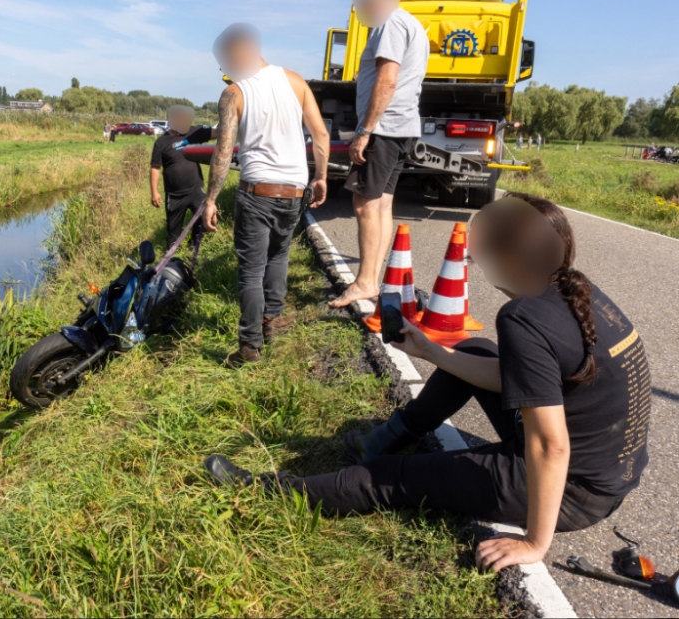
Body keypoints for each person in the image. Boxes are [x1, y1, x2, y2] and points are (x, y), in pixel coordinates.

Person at [205, 192, 652, 573]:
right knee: (474, 349)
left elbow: (550, 446)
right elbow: (520, 380)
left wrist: (536, 542)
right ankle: (387, 436)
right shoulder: (576, 288)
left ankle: (269, 489)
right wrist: (431, 352)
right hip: (608, 476)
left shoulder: (523, 316)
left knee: (392, 479)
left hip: (571, 492)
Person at [204, 23, 330, 367]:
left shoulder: (235, 94)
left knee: (250, 271)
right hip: (294, 191)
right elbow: (320, 134)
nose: (223, 69)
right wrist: (320, 178)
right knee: (278, 257)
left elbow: (224, 149)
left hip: (257, 192)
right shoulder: (295, 81)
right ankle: (272, 322)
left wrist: (211, 198)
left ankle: (249, 346)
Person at [329, 0, 430, 309]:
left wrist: (365, 129)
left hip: (385, 127)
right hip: (401, 126)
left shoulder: (389, 23)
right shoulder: (409, 23)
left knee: (365, 204)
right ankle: (372, 275)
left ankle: (366, 282)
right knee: (382, 203)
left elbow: (388, 79)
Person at [149, 105, 215, 249]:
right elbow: (155, 168)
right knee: (173, 234)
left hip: (195, 190)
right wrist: (154, 192)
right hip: (175, 195)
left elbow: (216, 133)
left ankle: (194, 244)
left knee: (204, 216)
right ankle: (172, 258)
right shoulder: (161, 143)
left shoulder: (194, 133)